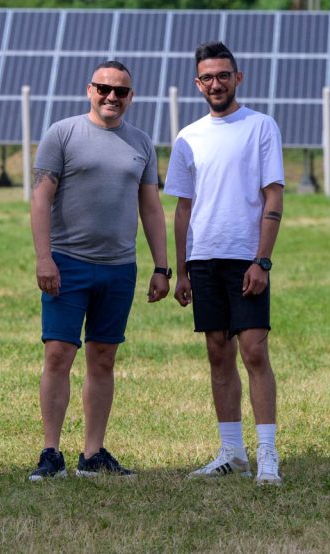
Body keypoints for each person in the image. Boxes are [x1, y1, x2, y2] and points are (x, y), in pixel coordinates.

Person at [28, 60, 170, 481]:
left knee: (103, 358)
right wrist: (43, 258)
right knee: (58, 355)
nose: (112, 97)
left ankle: (92, 455)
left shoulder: (141, 143)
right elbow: (40, 200)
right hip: (68, 265)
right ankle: (51, 452)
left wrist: (162, 267)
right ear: (89, 89)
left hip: (119, 268)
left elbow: (151, 207)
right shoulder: (62, 134)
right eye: (104, 89)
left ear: (131, 96)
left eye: (120, 91)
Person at [164, 41, 286, 486]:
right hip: (203, 259)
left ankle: (268, 453)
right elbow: (183, 208)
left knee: (254, 350)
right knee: (218, 354)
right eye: (207, 78)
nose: (216, 84)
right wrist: (181, 269)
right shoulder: (188, 137)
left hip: (245, 259)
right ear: (198, 84)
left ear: (238, 78)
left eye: (223, 75)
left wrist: (262, 261)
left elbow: (274, 195)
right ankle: (232, 452)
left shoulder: (260, 127)